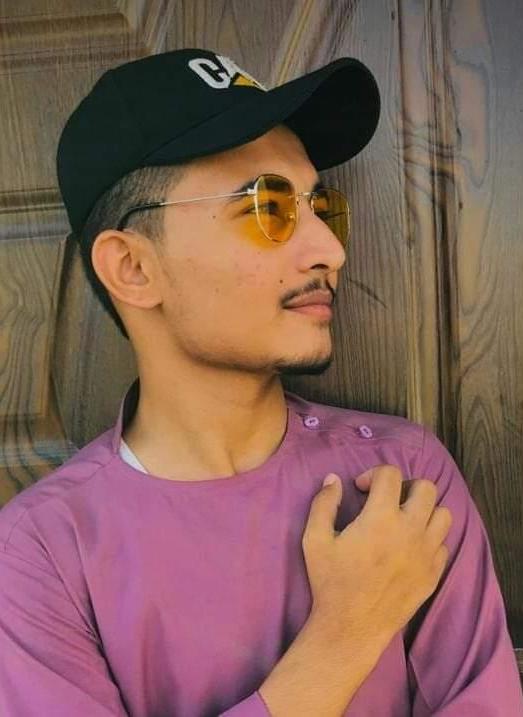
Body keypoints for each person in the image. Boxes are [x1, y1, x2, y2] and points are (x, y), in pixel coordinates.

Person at [0, 48, 521, 716]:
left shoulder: (400, 479)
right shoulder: (41, 552)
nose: (329, 250)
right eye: (267, 206)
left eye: (320, 206)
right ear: (133, 267)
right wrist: (345, 637)